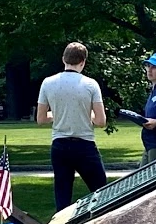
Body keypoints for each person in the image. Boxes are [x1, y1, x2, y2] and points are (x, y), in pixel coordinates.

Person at [37, 42, 108, 211]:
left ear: (63, 59)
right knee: (102, 192)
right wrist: (85, 115)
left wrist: (59, 114)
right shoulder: (90, 84)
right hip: (84, 144)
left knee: (62, 197)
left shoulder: (48, 83)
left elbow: (40, 118)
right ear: (83, 61)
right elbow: (101, 121)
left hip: (60, 145)